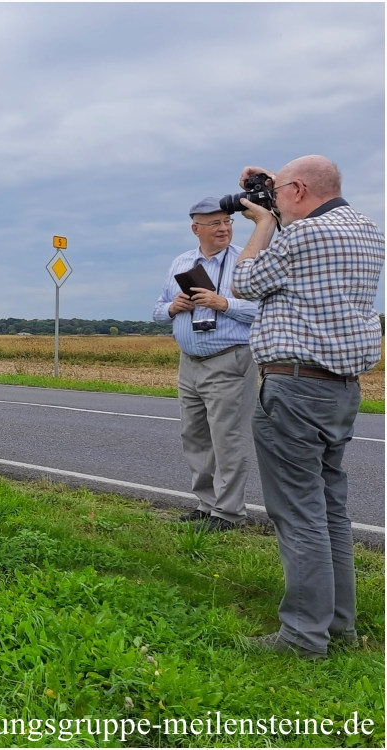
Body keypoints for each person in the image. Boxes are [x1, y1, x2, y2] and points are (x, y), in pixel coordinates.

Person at [231, 155, 384, 660]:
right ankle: (338, 625)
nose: (271, 199)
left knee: (298, 514)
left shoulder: (301, 237)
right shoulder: (368, 230)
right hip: (341, 388)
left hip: (295, 387)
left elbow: (244, 282)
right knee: (329, 510)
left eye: (277, 190)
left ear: (296, 189)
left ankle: (301, 638)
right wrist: (271, 197)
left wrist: (263, 223)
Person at [152, 198, 259, 532]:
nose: (224, 228)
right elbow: (156, 309)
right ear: (195, 228)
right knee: (195, 436)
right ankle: (206, 505)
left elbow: (265, 310)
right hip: (190, 363)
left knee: (228, 439)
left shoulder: (246, 260)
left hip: (229, 360)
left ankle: (228, 514)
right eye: (214, 224)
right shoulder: (181, 262)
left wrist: (223, 303)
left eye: (227, 221)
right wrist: (174, 307)